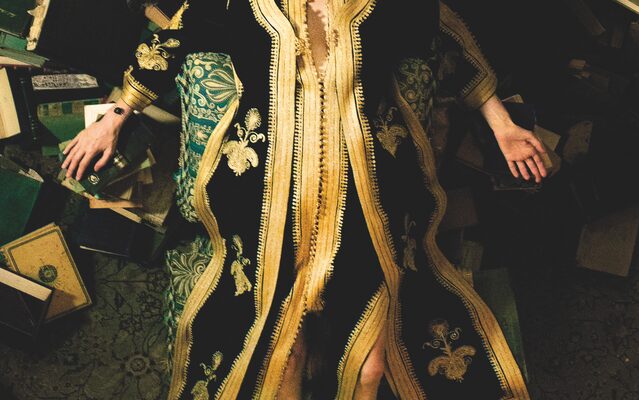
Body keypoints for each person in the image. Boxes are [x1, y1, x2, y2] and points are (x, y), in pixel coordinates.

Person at [62, 0, 544, 398]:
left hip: (366, 191)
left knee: (373, 368)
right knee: (281, 358)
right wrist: (115, 118)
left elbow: (452, 39)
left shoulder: (390, 7)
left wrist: (503, 127)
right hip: (263, 190)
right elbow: (169, 42)